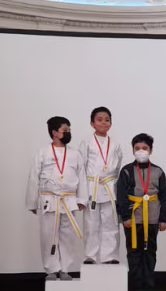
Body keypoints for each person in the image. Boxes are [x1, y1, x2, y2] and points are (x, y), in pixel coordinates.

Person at [26, 116, 88, 280]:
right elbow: (34, 176)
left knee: (68, 236)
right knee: (48, 235)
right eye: (65, 130)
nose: (68, 133)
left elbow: (82, 177)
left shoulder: (75, 154)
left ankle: (65, 268)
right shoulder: (43, 152)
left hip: (69, 200)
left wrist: (82, 199)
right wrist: (33, 202)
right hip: (49, 200)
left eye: (69, 130)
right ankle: (51, 269)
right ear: (54, 132)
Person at [116, 134, 166, 291]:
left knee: (149, 253)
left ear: (151, 150)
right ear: (133, 150)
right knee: (134, 253)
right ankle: (134, 287)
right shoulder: (126, 171)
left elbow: (165, 196)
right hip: (133, 220)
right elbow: (121, 196)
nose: (141, 151)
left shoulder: (158, 171)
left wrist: (164, 218)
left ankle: (148, 286)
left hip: (153, 219)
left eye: (145, 148)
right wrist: (125, 216)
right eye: (137, 148)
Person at [79, 107, 123, 265]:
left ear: (111, 123)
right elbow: (81, 168)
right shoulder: (86, 143)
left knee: (111, 223)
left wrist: (116, 187)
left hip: (110, 186)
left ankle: (109, 256)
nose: (104, 122)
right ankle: (90, 256)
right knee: (91, 223)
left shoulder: (115, 144)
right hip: (92, 186)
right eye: (99, 119)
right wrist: (81, 195)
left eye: (107, 119)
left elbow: (117, 168)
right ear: (92, 123)